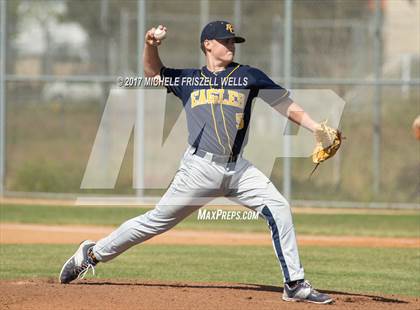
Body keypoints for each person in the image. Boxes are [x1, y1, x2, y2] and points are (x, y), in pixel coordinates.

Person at [59, 21, 333, 304]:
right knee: (154, 222)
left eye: (233, 41)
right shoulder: (189, 79)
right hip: (199, 169)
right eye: (225, 41)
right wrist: (150, 44)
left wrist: (314, 127)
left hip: (238, 169)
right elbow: (153, 73)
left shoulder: (249, 75)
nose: (230, 46)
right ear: (207, 44)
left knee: (279, 208)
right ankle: (91, 253)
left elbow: (284, 103)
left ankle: (295, 284)